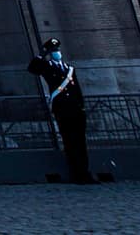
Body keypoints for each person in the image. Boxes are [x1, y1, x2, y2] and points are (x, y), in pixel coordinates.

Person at [27, 37, 93, 184]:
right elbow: (32, 68)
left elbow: (77, 90)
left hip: (76, 109)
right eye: (54, 50)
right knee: (69, 141)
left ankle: (85, 172)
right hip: (62, 109)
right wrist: (42, 54)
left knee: (81, 142)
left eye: (57, 50)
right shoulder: (47, 67)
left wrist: (82, 107)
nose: (57, 52)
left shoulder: (69, 69)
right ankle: (76, 173)